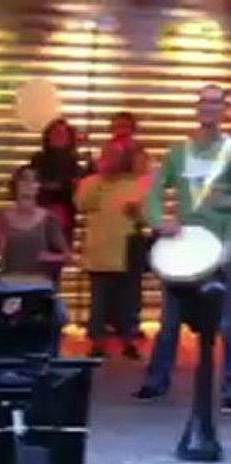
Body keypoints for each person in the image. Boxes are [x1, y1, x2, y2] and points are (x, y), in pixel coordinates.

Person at [133, 84, 231, 408]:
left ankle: (229, 389)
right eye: (205, 102)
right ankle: (156, 381)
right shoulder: (178, 152)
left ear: (224, 109)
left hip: (223, 247)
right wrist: (160, 220)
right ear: (197, 107)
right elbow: (154, 191)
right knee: (170, 321)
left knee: (227, 323)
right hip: (185, 249)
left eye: (217, 103)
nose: (210, 109)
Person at [74, 139, 145, 359]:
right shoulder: (90, 182)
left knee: (129, 302)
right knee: (99, 302)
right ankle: (97, 343)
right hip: (100, 252)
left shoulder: (135, 183)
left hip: (127, 251)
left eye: (116, 155)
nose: (112, 160)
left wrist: (138, 212)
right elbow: (81, 204)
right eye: (107, 155)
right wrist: (101, 178)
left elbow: (147, 214)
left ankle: (128, 341)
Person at [0, 164, 71, 352]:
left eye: (33, 180)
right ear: (15, 185)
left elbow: (67, 257)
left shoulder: (47, 219)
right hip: (10, 284)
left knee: (44, 335)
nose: (28, 184)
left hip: (39, 286)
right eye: (23, 179)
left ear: (38, 186)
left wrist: (49, 257)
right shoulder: (3, 217)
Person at [30, 118, 83, 252]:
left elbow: (75, 192)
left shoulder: (74, 163)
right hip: (38, 220)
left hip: (63, 221)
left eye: (63, 134)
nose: (58, 136)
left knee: (56, 262)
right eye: (55, 133)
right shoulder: (38, 160)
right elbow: (33, 185)